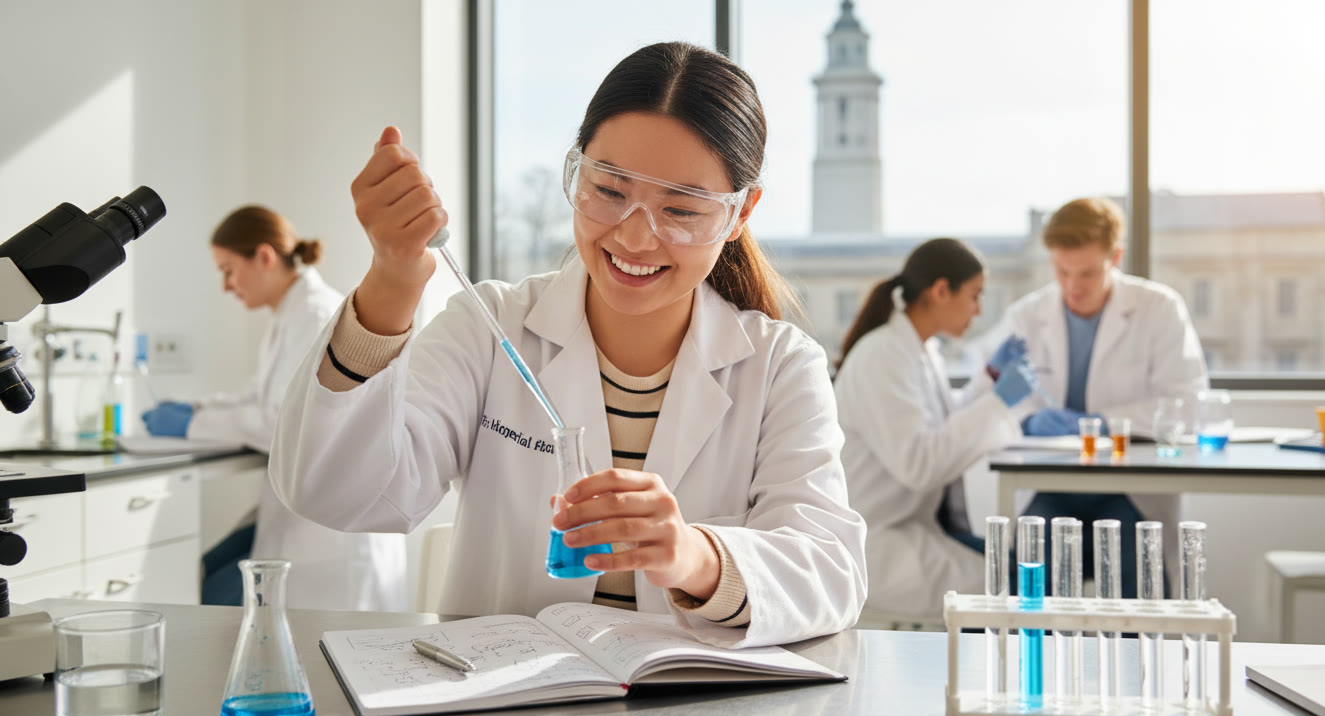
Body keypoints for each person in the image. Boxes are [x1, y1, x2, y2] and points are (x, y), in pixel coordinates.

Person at [269, 42, 867, 648]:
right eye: (608, 191)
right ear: (576, 170)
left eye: (682, 209)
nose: (635, 237)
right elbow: (337, 493)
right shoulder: (490, 326)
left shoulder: (779, 366)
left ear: (740, 214)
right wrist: (392, 282)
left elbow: (830, 571)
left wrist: (693, 557)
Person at [141, 206, 406, 611]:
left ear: (264, 257)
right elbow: (260, 399)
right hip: (305, 520)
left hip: (333, 535)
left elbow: (282, 423)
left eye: (228, 269)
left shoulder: (315, 313)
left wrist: (193, 424)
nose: (226, 285)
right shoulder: (290, 315)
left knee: (327, 654)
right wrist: (194, 408)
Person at [988, 197, 1208, 592]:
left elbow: (1186, 404)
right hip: (1052, 483)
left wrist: (1105, 424)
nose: (1073, 286)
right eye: (1062, 271)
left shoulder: (1159, 308)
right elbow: (995, 393)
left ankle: (1136, 655)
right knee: (1029, 571)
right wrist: (1027, 419)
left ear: (1116, 257)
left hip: (1129, 490)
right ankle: (1033, 655)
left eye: (1087, 273)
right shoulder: (1027, 315)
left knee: (1136, 577)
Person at [832, 239, 1037, 620]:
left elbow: (944, 426)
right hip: (878, 543)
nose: (978, 310)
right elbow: (920, 464)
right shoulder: (883, 355)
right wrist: (998, 403)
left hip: (914, 527)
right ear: (941, 291)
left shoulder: (921, 351)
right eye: (975, 296)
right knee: (1012, 587)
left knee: (1019, 569)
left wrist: (991, 381)